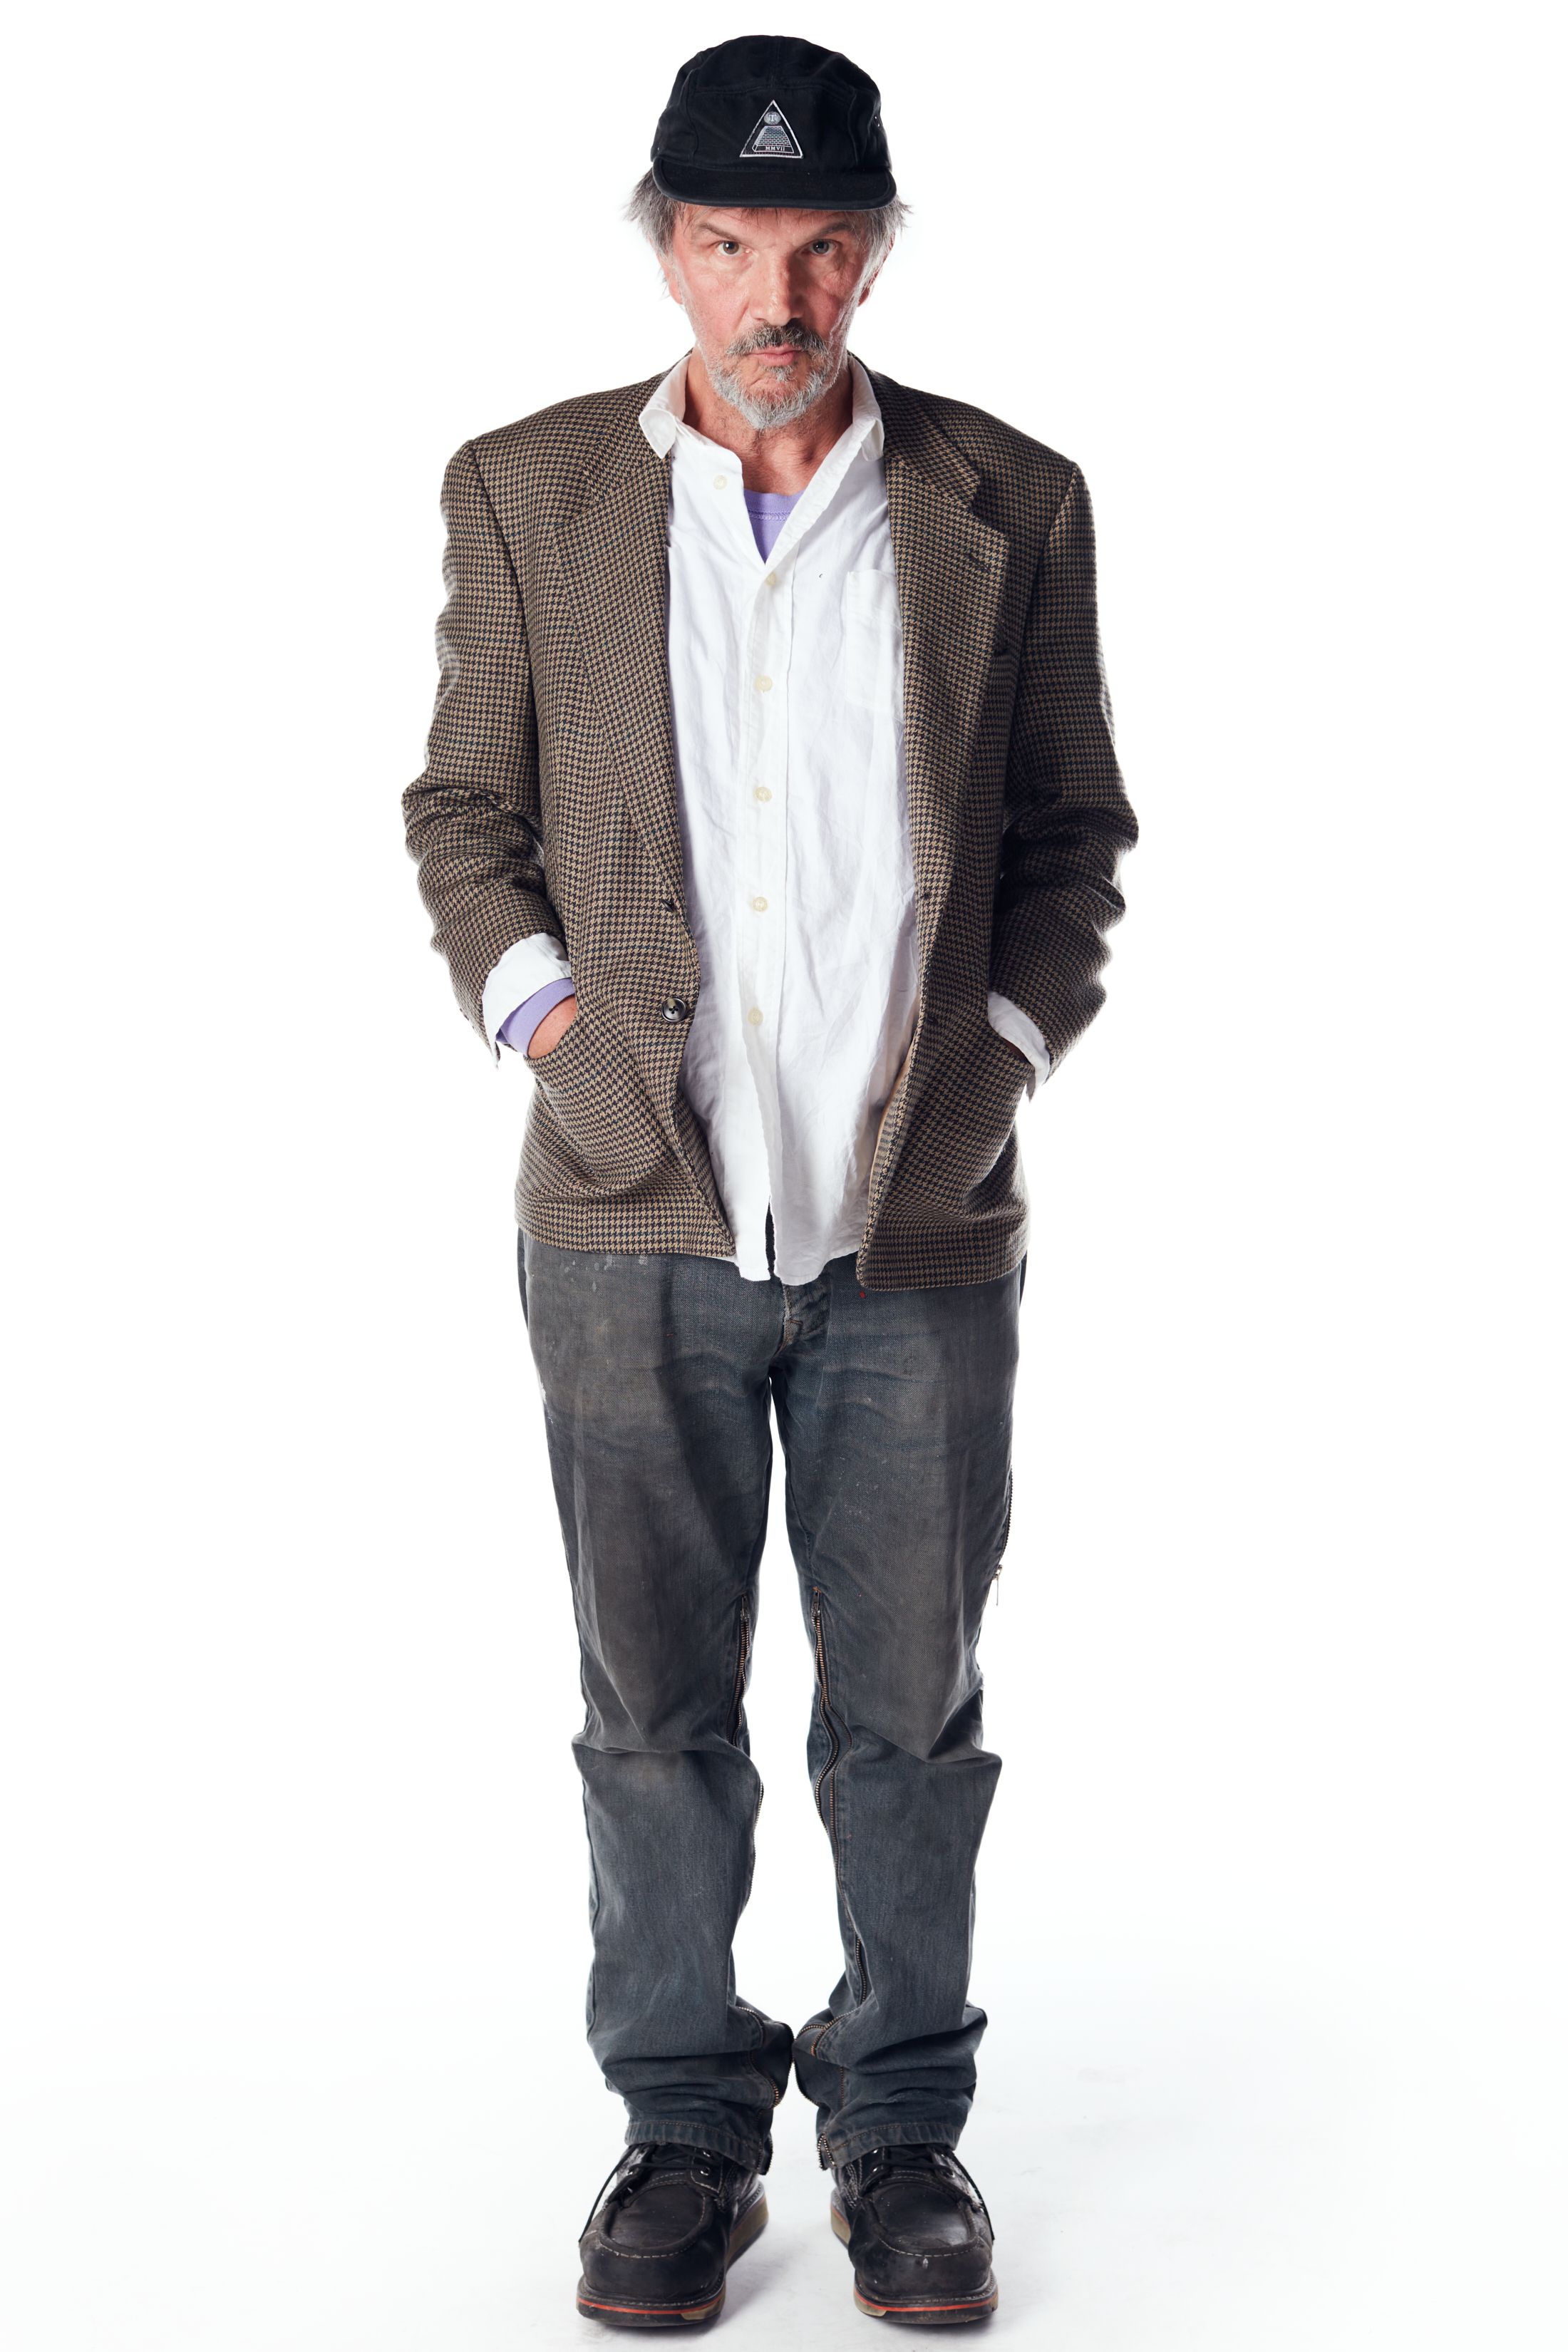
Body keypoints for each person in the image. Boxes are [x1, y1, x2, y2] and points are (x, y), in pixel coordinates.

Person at [402, 33, 1138, 2328]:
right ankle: (684, 2128)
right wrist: (551, 1026)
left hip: (917, 1225)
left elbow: (1071, 840)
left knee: (908, 1717)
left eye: (821, 246)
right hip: (631, 1219)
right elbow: (465, 814)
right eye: (729, 242)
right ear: (668, 249)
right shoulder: (528, 490)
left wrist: (999, 1064)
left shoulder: (1010, 499)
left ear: (875, 255)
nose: (775, 294)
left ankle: (900, 2126)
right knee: (652, 1713)